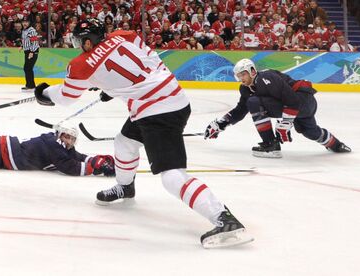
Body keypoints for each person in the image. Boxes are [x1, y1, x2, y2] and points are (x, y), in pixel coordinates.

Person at [33, 18, 253, 249]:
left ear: (88, 42)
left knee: (172, 177)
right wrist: (113, 85)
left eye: (80, 41)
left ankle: (224, 218)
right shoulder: (123, 35)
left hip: (157, 113)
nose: (79, 46)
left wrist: (43, 93)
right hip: (171, 98)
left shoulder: (82, 64)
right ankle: (125, 187)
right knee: (124, 142)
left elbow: (66, 97)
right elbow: (148, 61)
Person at [205, 59, 351, 157]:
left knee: (254, 101)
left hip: (303, 101)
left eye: (243, 74)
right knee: (309, 132)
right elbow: (240, 110)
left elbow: (293, 100)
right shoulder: (246, 89)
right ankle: (337, 145)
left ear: (252, 71)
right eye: (238, 76)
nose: (241, 79)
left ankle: (271, 145)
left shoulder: (266, 77)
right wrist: (221, 123)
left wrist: (285, 123)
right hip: (297, 106)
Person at [20, 17, 40, 93]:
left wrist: (32, 52)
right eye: (23, 22)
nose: (24, 23)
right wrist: (22, 46)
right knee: (27, 68)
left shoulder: (31, 30)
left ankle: (31, 86)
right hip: (27, 51)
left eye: (26, 22)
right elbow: (25, 40)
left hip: (32, 51)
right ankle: (29, 85)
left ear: (29, 23)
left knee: (27, 68)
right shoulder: (24, 30)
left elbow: (34, 42)